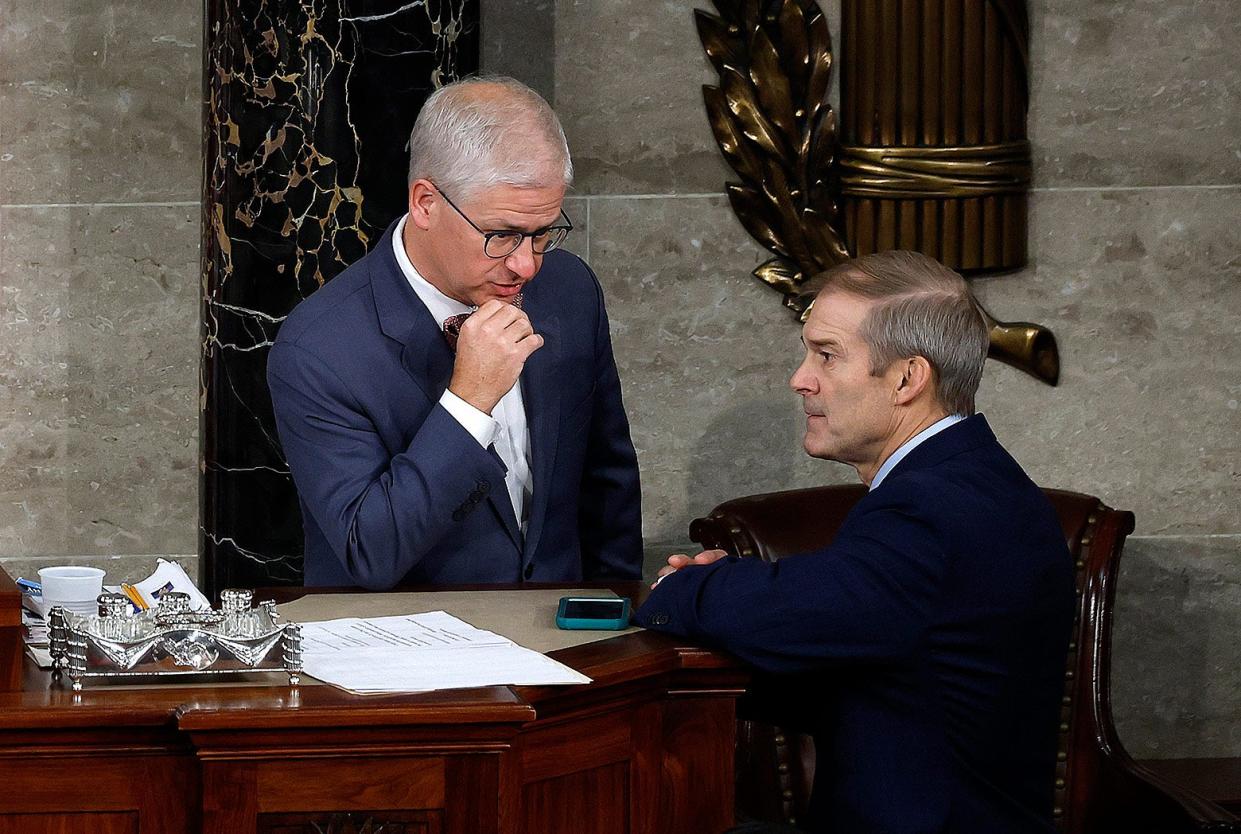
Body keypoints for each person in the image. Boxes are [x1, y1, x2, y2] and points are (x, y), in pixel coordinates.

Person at [636, 251, 1074, 833]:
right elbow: (885, 676)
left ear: (906, 379)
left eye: (827, 354)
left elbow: (810, 606)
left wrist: (687, 587)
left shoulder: (930, 505)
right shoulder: (976, 478)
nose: (801, 379)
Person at [268, 76, 642, 589]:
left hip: (570, 646)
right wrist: (469, 401)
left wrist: (618, 624)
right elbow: (369, 550)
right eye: (502, 235)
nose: (526, 266)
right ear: (425, 203)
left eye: (542, 234)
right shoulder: (319, 348)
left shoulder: (570, 290)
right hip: (410, 653)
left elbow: (608, 483)